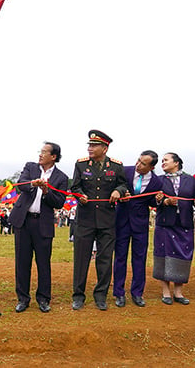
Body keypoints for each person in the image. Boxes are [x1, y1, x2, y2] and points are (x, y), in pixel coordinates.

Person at [70, 130, 128, 311]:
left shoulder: (116, 166)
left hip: (107, 219)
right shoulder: (81, 165)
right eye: (89, 145)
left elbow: (123, 183)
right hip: (85, 219)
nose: (90, 148)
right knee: (81, 259)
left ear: (104, 148)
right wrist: (80, 195)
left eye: (94, 145)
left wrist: (118, 190)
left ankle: (100, 295)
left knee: (104, 259)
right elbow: (75, 186)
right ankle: (78, 295)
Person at [9, 142, 69, 313]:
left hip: (43, 224)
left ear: (53, 156)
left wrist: (47, 191)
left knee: (43, 263)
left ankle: (43, 299)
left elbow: (59, 202)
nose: (40, 155)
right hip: (24, 221)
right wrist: (33, 184)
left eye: (44, 152)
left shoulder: (61, 178)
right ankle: (22, 298)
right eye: (40, 152)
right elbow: (21, 185)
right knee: (22, 261)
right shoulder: (30, 167)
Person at [113, 150, 163, 308]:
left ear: (151, 167)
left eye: (143, 164)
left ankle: (137, 293)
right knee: (120, 257)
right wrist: (121, 194)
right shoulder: (125, 171)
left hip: (140, 224)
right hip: (121, 221)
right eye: (138, 161)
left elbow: (152, 203)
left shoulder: (157, 182)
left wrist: (158, 200)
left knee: (139, 258)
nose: (138, 165)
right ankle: (119, 293)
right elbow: (114, 188)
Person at [153, 153, 195, 305]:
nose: (163, 163)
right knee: (164, 255)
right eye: (162, 161)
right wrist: (164, 201)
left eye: (166, 160)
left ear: (176, 162)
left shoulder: (190, 180)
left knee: (183, 256)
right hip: (165, 224)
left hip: (184, 224)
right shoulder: (159, 180)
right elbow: (153, 200)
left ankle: (178, 292)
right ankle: (166, 292)